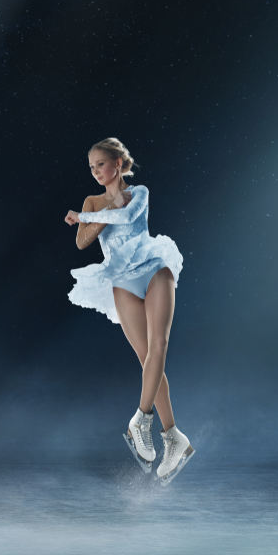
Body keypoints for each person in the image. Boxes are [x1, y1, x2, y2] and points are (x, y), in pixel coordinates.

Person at [64, 137, 194, 485]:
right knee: (145, 356)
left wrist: (89, 217)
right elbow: (81, 241)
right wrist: (96, 216)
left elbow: (128, 213)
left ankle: (141, 419)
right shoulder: (92, 200)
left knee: (159, 347)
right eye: (91, 168)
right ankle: (174, 438)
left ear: (118, 164)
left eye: (100, 165)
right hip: (123, 282)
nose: (95, 172)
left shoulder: (140, 192)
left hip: (154, 271)